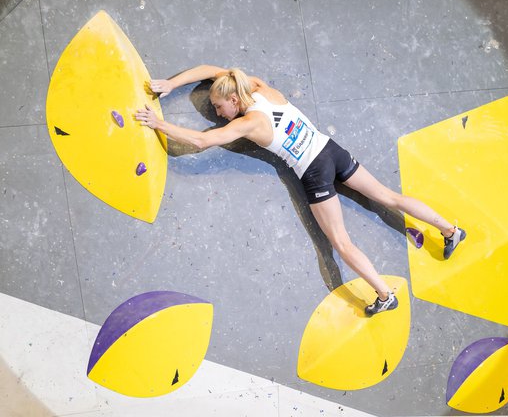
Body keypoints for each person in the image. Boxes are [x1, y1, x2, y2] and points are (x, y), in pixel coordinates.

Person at [135, 65, 466, 316]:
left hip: (314, 172)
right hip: (331, 150)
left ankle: (384, 296)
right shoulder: (261, 89)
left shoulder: (247, 123)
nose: (219, 115)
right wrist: (172, 84)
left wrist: (157, 123)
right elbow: (213, 71)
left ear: (234, 100)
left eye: (219, 108)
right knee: (389, 197)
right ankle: (450, 230)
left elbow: (202, 140)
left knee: (339, 243)